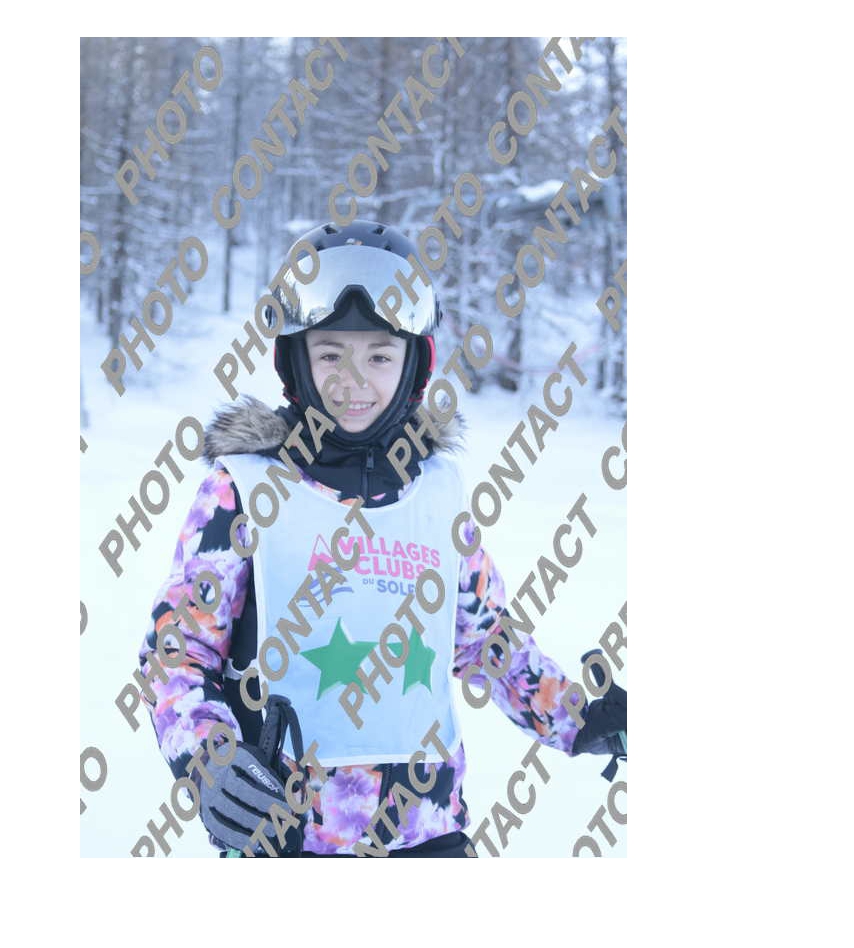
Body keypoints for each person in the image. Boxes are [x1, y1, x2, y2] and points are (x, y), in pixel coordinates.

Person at [138, 220, 627, 858]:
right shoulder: (246, 489)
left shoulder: (435, 492)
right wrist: (209, 757)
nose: (354, 380)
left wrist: (579, 718)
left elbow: (483, 639)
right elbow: (176, 653)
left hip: (428, 832)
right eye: (330, 355)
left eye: (378, 356)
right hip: (289, 837)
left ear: (413, 363)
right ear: (296, 361)